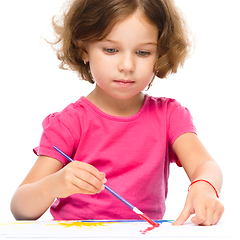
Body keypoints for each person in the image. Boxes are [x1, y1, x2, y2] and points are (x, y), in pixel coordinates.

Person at [11, 0, 224, 226]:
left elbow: (206, 165)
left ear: (160, 54)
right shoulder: (69, 123)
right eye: (111, 50)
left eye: (143, 52)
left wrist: (205, 186)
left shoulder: (169, 116)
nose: (127, 65)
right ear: (84, 49)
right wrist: (54, 184)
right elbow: (20, 208)